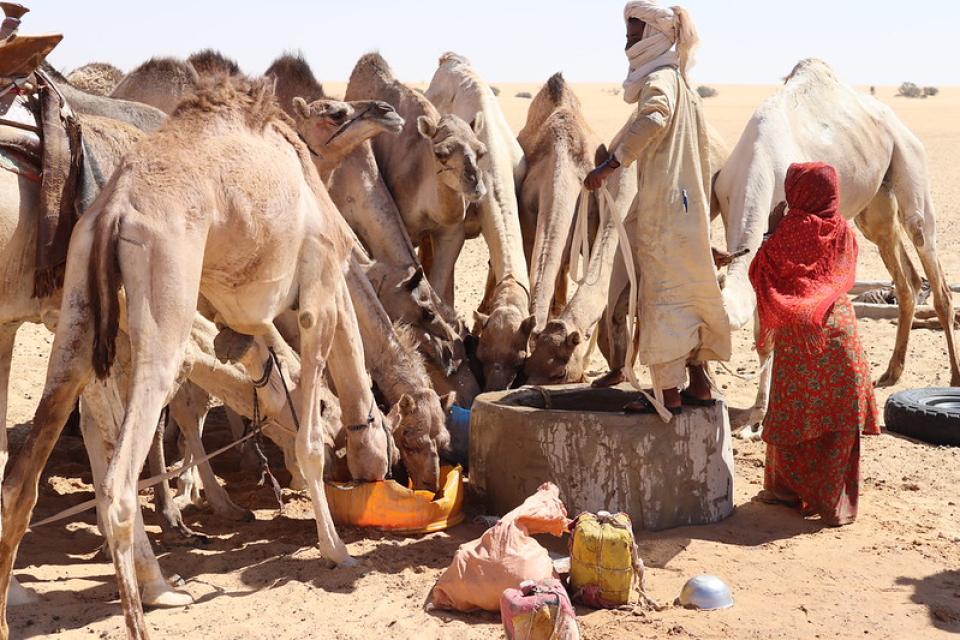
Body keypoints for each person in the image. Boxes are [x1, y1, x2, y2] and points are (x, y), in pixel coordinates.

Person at [586, 0, 730, 415]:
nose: (627, 44)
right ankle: (699, 385)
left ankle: (667, 397)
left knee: (660, 297)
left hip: (664, 212)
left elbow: (653, 117)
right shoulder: (684, 83)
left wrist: (611, 165)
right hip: (685, 209)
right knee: (690, 295)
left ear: (654, 37)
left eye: (634, 35)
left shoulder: (662, 81)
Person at [749, 162, 880, 526]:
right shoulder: (844, 230)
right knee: (836, 421)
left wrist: (770, 233)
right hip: (842, 335)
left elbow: (763, 270)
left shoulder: (793, 228)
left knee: (794, 414)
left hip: (803, 337)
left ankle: (785, 492)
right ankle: (834, 501)